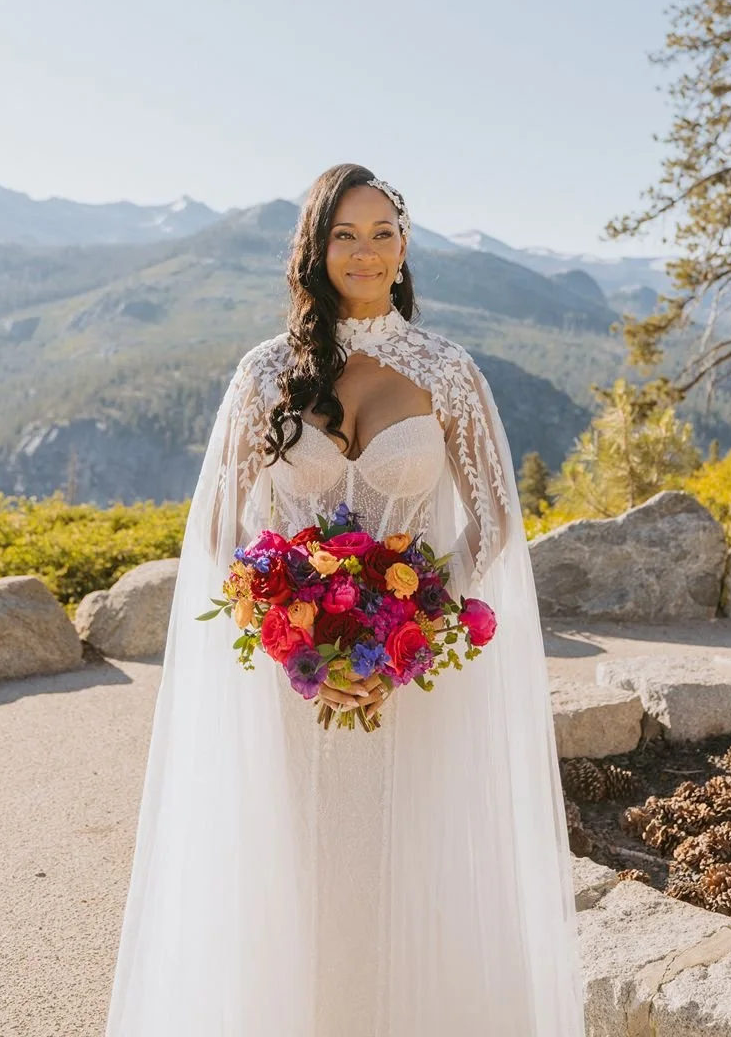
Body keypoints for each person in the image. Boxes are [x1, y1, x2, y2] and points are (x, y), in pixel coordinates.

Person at [104, 163, 586, 1037]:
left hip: (414, 684)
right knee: (297, 873)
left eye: (383, 233)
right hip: (291, 688)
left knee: (411, 871)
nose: (366, 253)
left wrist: (421, 626)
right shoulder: (265, 375)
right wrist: (295, 646)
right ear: (315, 249)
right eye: (345, 235)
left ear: (404, 248)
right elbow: (216, 531)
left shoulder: (450, 374)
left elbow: (496, 522)